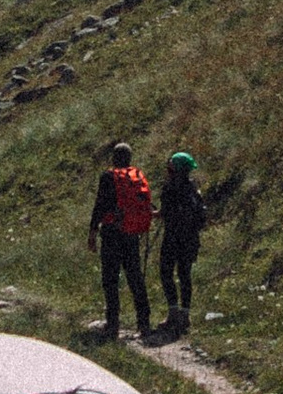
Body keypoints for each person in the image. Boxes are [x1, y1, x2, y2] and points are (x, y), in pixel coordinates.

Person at [86, 143, 154, 339]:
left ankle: (113, 324)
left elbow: (100, 204)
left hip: (111, 232)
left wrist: (92, 232)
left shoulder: (108, 176)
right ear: (129, 158)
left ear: (114, 158)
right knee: (135, 277)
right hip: (131, 233)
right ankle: (144, 323)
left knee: (111, 279)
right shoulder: (137, 176)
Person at [157, 149, 206, 334]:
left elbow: (164, 213)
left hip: (172, 237)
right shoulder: (194, 188)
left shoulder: (169, 188)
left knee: (166, 272)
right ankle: (185, 315)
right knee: (185, 275)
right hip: (190, 238)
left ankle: (173, 312)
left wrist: (149, 214)